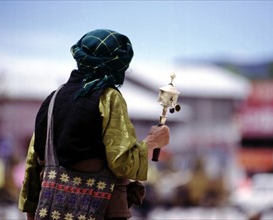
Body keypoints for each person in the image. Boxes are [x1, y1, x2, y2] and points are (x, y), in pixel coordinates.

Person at [18, 29, 170, 220]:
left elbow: (33, 164)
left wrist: (32, 212)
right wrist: (152, 142)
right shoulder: (109, 98)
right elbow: (122, 164)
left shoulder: (52, 100)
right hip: (102, 211)